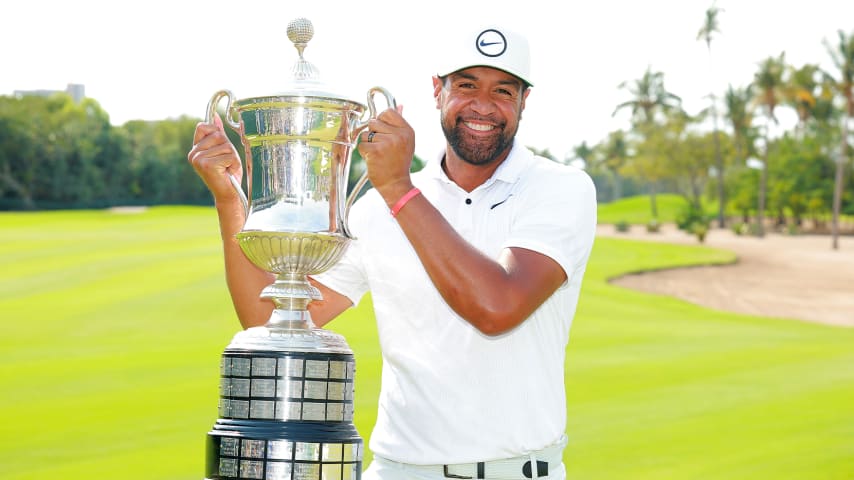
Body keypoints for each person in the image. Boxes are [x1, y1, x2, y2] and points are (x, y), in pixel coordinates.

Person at [189, 24, 596, 480]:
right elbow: (266, 320)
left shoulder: (559, 188)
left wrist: (398, 188)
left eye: (503, 90)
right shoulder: (379, 206)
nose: (483, 105)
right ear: (437, 91)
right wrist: (229, 198)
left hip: (513, 472)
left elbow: (496, 307)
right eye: (466, 86)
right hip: (394, 470)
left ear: (524, 103)